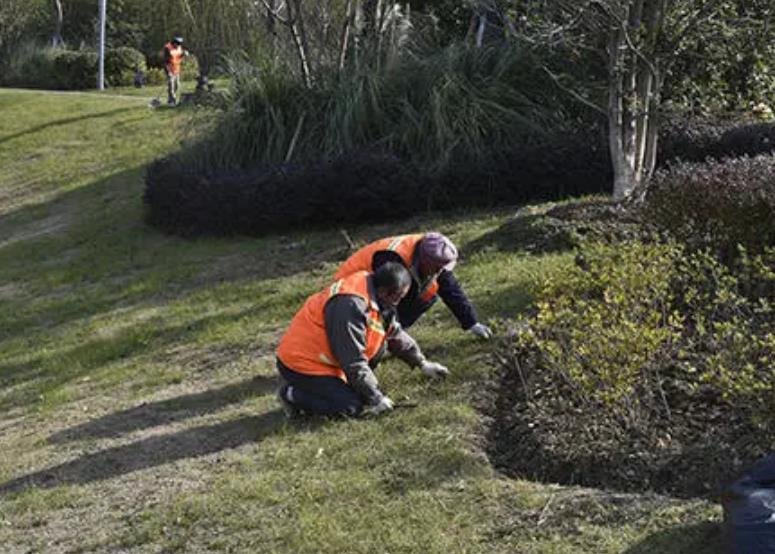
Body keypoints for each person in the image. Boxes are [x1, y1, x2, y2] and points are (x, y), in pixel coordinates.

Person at [275, 262, 450, 418]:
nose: (399, 302)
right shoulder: (349, 306)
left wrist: (422, 363)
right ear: (384, 291)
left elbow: (393, 332)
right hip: (301, 363)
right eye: (398, 297)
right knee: (349, 406)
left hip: (326, 359)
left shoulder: (377, 293)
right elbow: (352, 359)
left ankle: (333, 389)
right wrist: (376, 397)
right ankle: (290, 394)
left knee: (361, 393)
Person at [334, 233, 492, 339]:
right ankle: (375, 337)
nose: (439, 272)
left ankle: (390, 335)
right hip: (350, 286)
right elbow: (383, 296)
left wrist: (471, 323)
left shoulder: (433, 254)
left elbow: (450, 289)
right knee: (391, 298)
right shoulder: (393, 259)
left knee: (429, 294)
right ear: (425, 261)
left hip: (379, 286)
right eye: (437, 268)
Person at [161, 36, 187, 106]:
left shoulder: (179, 47)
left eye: (180, 44)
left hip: (176, 69)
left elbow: (178, 57)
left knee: (177, 85)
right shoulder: (167, 48)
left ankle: (171, 98)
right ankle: (172, 101)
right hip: (169, 69)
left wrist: (183, 54)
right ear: (174, 43)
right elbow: (165, 62)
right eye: (177, 44)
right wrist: (168, 72)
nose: (178, 46)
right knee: (171, 86)